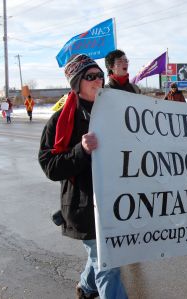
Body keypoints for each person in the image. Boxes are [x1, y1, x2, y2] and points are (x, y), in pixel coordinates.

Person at [38, 54, 128, 299]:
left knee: (100, 256)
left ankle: (87, 288)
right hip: (84, 205)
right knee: (107, 261)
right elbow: (50, 166)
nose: (98, 80)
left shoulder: (115, 112)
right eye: (90, 77)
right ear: (77, 82)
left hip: (116, 200)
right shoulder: (60, 120)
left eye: (100, 75)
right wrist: (82, 150)